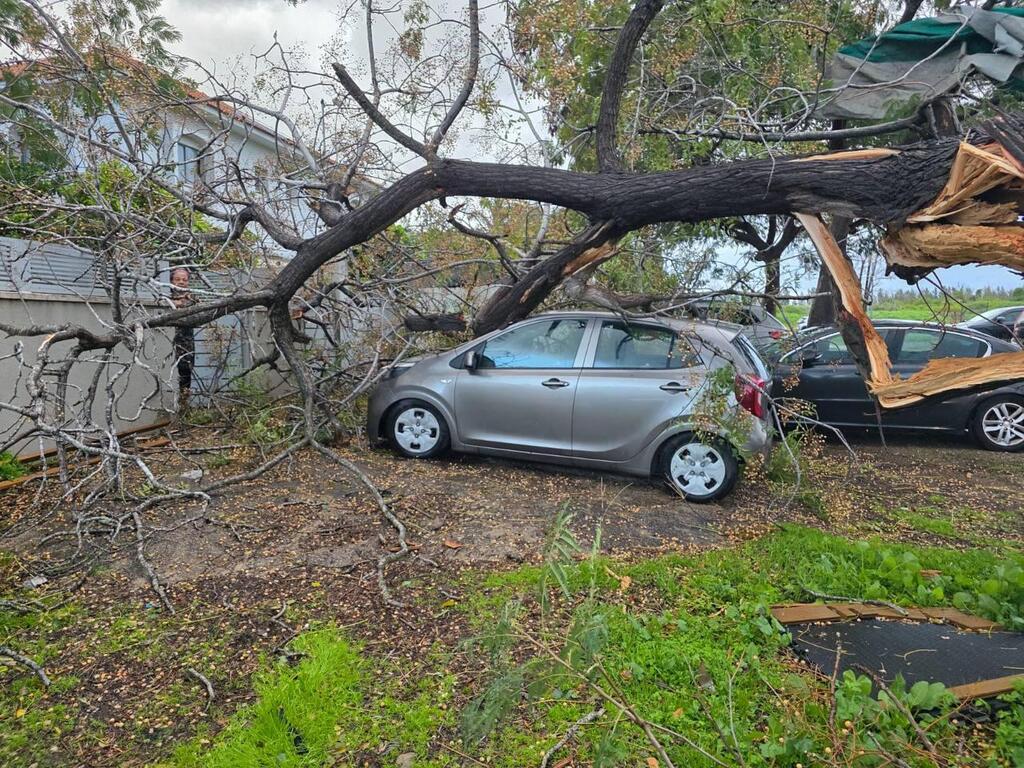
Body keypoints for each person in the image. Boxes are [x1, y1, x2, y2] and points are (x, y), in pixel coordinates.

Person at [170, 267, 195, 408]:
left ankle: (184, 405)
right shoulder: (163, 295)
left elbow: (197, 308)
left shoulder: (192, 297)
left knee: (186, 374)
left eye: (184, 280)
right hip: (167, 342)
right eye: (177, 279)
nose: (181, 282)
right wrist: (175, 303)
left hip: (186, 344)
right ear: (171, 281)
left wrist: (179, 304)